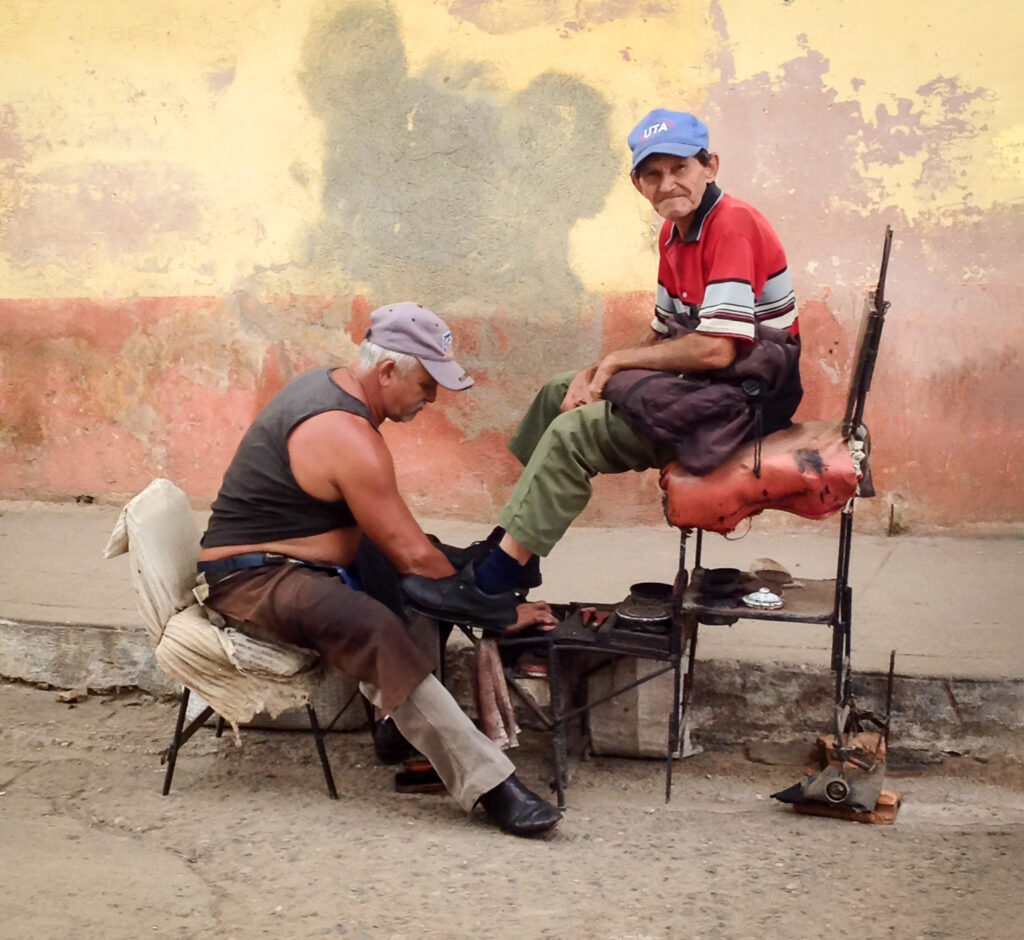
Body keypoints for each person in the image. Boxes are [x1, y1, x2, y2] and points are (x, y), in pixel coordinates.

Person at [402, 108, 802, 614]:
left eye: (680, 168)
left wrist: (612, 365)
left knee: (576, 435)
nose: (668, 183)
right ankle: (512, 550)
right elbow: (664, 334)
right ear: (639, 184)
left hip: (746, 403)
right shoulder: (675, 232)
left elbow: (717, 347)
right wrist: (594, 374)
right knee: (558, 392)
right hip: (710, 386)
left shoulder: (733, 226)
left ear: (710, 166)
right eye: (652, 174)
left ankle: (491, 585)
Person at [196, 302, 561, 837]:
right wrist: (499, 612)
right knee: (385, 616)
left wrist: (466, 585)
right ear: (387, 370)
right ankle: (490, 786)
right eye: (426, 383)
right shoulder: (346, 433)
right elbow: (414, 556)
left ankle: (400, 729)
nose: (432, 397)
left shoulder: (331, 387)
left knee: (426, 576)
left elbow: (412, 551)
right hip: (251, 580)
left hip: (294, 560)